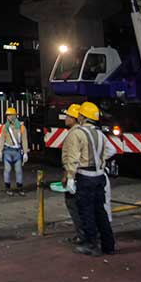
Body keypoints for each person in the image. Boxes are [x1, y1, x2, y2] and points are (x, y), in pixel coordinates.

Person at [64, 100, 116, 257]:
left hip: (85, 177)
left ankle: (91, 245)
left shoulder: (77, 133)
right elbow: (110, 150)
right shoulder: (100, 134)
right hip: (100, 176)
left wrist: (71, 177)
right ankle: (109, 245)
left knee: (86, 212)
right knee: (100, 211)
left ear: (82, 117)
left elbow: (72, 158)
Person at [59, 103, 85, 244]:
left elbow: (72, 159)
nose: (65, 118)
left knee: (74, 206)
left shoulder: (74, 134)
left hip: (76, 175)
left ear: (74, 118)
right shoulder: (84, 132)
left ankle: (82, 236)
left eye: (68, 115)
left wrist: (68, 176)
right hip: (83, 175)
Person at [0, 107, 29, 196]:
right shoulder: (5, 127)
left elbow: (24, 140)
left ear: (15, 115)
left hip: (17, 151)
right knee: (7, 170)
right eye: (8, 115)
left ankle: (20, 188)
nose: (9, 117)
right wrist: (0, 150)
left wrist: (25, 152)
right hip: (7, 151)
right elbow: (2, 139)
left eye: (11, 115)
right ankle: (7, 188)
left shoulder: (22, 127)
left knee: (18, 170)